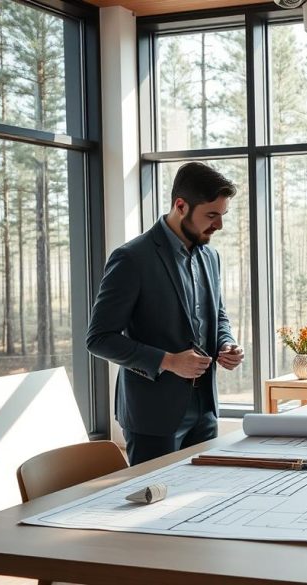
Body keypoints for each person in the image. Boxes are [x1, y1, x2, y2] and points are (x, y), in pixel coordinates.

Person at [87, 162, 245, 465]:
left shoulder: (210, 256)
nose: (219, 226)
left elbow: (218, 316)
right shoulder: (132, 258)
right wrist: (170, 361)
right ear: (181, 206)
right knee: (155, 506)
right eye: (211, 216)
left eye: (222, 216)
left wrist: (226, 343)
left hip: (206, 410)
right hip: (152, 417)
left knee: (202, 502)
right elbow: (99, 339)